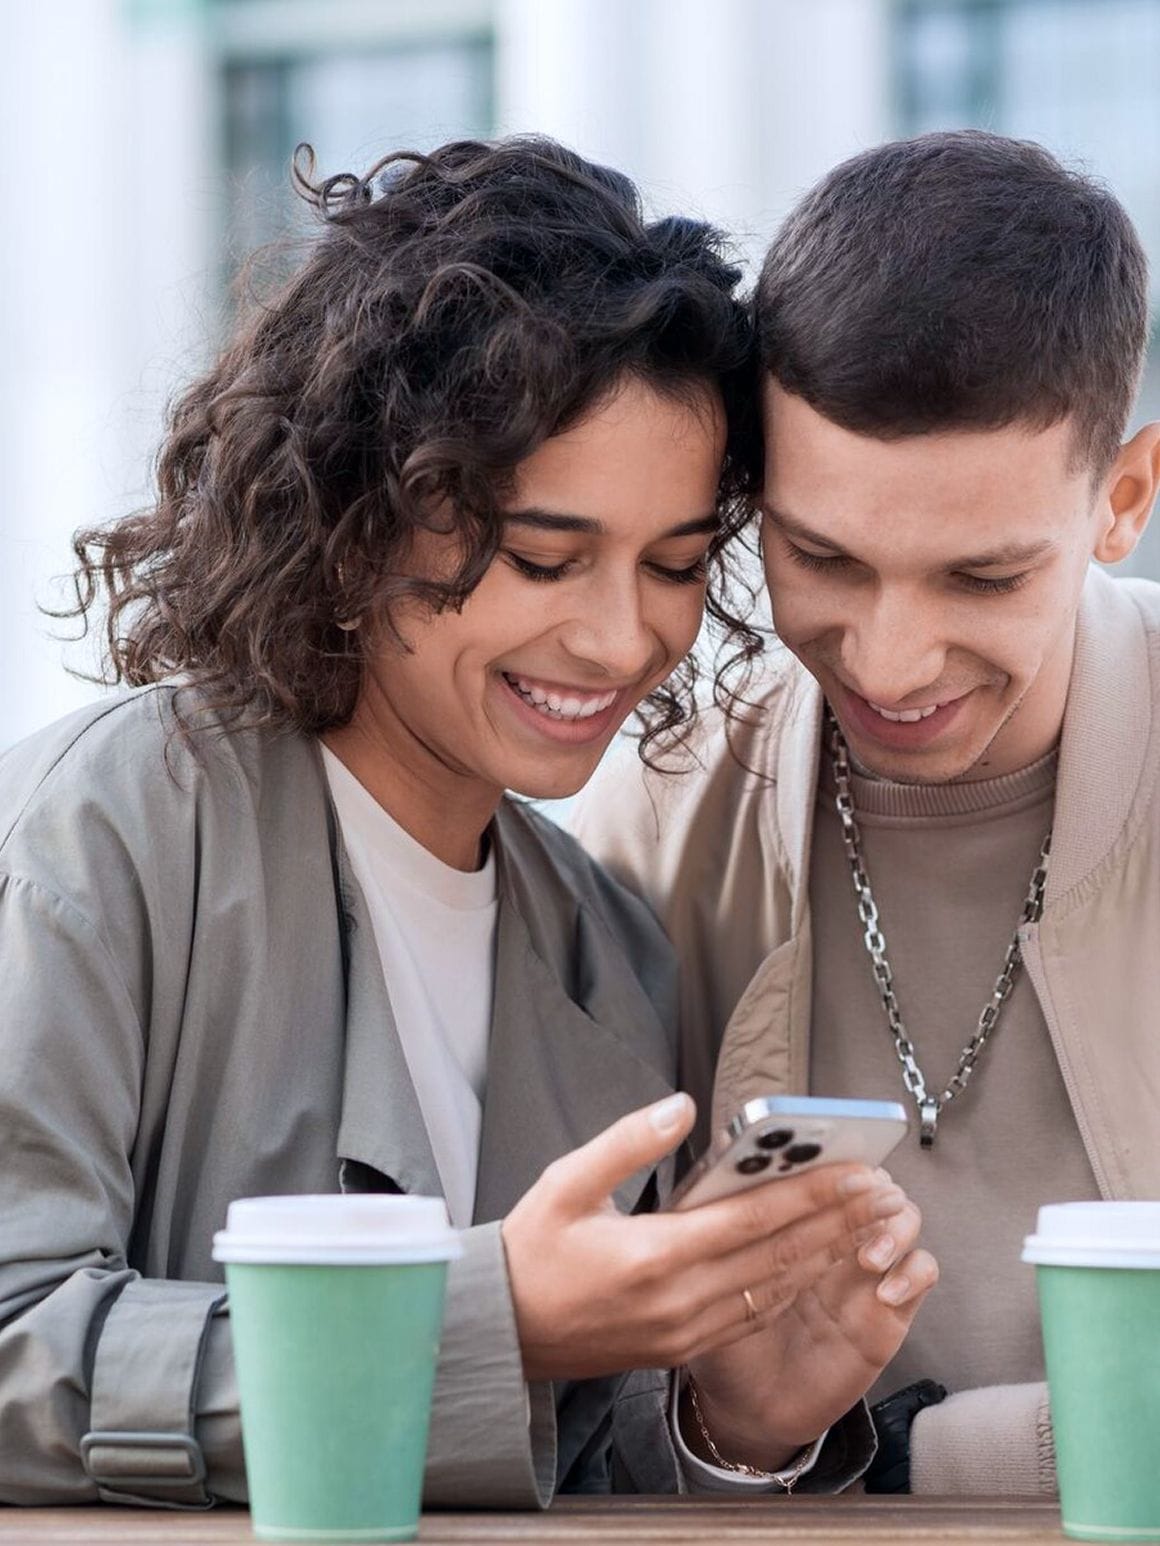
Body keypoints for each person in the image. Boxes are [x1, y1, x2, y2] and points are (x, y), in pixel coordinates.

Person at [0, 137, 935, 1511]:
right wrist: (483, 1319)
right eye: (547, 556)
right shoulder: (103, 834)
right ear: (365, 509)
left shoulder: (608, 948)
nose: (624, 635)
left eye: (676, 564)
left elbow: (563, 1461)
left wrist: (733, 1423)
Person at [575, 129, 1160, 1497]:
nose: (890, 664)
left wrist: (920, 1455)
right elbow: (569, 1424)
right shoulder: (653, 818)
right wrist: (736, 1433)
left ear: (1123, 498)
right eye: (820, 555)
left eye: (982, 577)